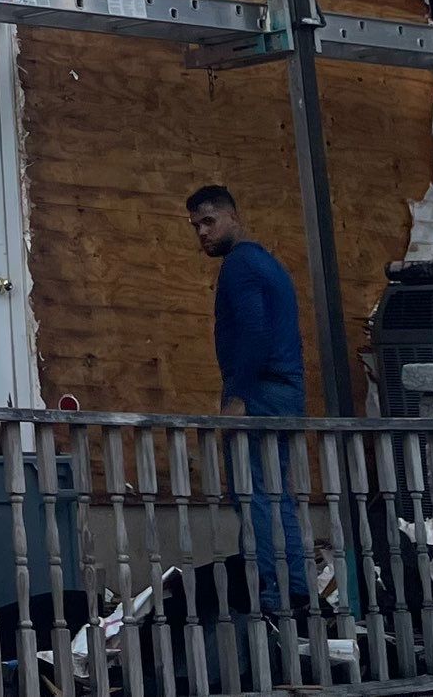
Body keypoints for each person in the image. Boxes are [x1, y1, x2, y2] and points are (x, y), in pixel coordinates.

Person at [186, 184, 311, 618]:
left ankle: (275, 600)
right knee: (274, 494)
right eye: (195, 226)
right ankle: (296, 594)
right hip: (284, 388)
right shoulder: (265, 262)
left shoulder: (240, 265)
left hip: (260, 392)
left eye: (209, 221)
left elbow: (256, 332)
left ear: (233, 217)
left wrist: (237, 396)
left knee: (255, 493)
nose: (202, 232)